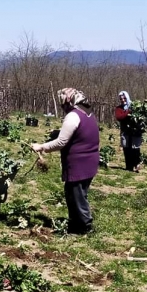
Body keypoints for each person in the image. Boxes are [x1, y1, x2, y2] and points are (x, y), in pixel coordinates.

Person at [32, 88, 99, 235]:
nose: (63, 107)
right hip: (90, 161)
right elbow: (80, 133)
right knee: (73, 193)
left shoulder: (73, 116)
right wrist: (57, 132)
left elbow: (61, 142)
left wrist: (41, 147)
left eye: (63, 103)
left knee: (77, 195)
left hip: (79, 163)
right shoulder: (87, 113)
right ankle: (75, 223)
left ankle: (85, 227)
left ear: (68, 101)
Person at [115, 91, 142, 172]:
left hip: (135, 131)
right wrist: (128, 112)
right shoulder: (119, 108)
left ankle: (136, 165)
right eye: (121, 98)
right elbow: (119, 117)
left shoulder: (134, 107)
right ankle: (129, 166)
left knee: (135, 148)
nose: (123, 100)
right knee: (126, 149)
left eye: (124, 98)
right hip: (125, 131)